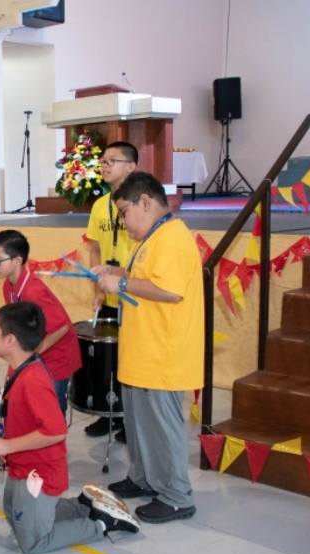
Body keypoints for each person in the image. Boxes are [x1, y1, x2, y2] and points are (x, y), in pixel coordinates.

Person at [0, 302, 140, 554]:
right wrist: (0, 432)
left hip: (39, 472)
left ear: (10, 340)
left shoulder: (33, 380)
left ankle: (101, 524)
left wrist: (7, 445)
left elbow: (56, 431)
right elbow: (22, 417)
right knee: (12, 513)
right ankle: (84, 506)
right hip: (22, 466)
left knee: (32, 544)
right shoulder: (16, 368)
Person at [93, 172, 203, 524]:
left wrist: (121, 280)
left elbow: (170, 289)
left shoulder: (172, 237)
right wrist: (115, 270)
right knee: (139, 426)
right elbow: (146, 278)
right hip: (141, 352)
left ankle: (175, 496)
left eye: (125, 213)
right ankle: (143, 478)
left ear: (145, 202)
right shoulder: (154, 238)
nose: (123, 223)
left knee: (161, 427)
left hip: (162, 354)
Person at [0, 230, 82, 414]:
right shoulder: (9, 286)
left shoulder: (34, 292)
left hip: (57, 357)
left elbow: (61, 328)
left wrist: (33, 353)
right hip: (37, 352)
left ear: (17, 260)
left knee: (50, 410)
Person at [83, 141, 138, 441]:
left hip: (134, 295)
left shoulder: (142, 203)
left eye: (112, 161)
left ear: (131, 166)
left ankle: (130, 420)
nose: (104, 166)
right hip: (108, 293)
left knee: (131, 360)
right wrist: (97, 288)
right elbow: (93, 249)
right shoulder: (98, 205)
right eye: (102, 161)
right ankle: (108, 416)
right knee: (107, 360)